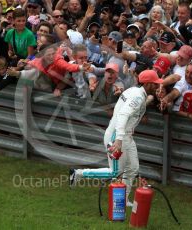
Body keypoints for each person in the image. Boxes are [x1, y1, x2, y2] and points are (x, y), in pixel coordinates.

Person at [70, 70, 163, 207]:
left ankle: (123, 200)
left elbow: (126, 109)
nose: (157, 86)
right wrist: (118, 139)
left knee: (133, 168)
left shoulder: (134, 91)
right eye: (155, 84)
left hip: (125, 136)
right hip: (117, 136)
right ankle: (78, 173)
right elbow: (123, 115)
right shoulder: (137, 97)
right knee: (115, 172)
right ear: (148, 84)